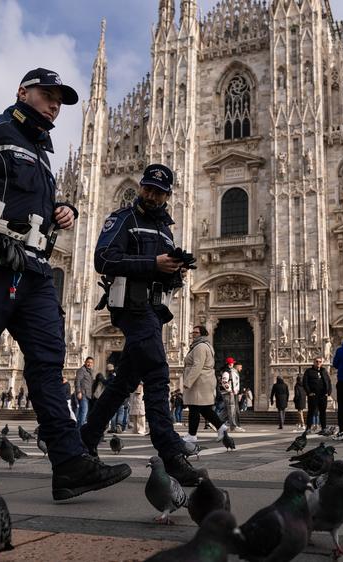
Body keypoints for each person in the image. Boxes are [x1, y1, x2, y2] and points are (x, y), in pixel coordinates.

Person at [0, 68, 131, 505]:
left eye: (60, 98)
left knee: (47, 366)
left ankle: (69, 463)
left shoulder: (41, 153)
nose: (55, 103)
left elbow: (24, 205)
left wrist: (62, 209)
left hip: (35, 271)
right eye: (47, 94)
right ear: (23, 92)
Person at [80, 162, 201, 486]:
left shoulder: (165, 230)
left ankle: (85, 441)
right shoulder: (123, 219)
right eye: (148, 188)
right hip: (131, 307)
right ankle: (170, 452)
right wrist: (152, 263)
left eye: (158, 192)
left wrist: (175, 270)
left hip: (153, 308)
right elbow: (102, 259)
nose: (151, 194)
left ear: (167, 196)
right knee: (159, 372)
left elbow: (163, 274)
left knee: (123, 383)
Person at [182, 325, 223, 441]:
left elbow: (197, 365)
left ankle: (192, 435)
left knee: (194, 408)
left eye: (196, 332)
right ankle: (221, 427)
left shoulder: (200, 347)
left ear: (202, 334)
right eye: (192, 332)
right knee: (204, 409)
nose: (193, 334)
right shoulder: (204, 345)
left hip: (199, 382)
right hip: (203, 381)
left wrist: (187, 382)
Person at [303, 357, 332, 435]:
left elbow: (328, 381)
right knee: (311, 412)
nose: (318, 363)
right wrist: (309, 392)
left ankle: (323, 428)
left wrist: (328, 392)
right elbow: (305, 382)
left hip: (323, 395)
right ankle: (308, 428)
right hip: (313, 395)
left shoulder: (324, 371)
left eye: (320, 362)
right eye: (317, 361)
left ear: (322, 363)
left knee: (323, 412)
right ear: (314, 362)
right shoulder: (309, 371)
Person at [219, 358, 242, 431]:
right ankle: (233, 426)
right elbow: (224, 382)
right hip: (228, 394)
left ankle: (215, 422)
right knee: (231, 409)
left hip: (230, 393)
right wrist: (230, 390)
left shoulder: (230, 371)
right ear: (229, 364)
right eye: (232, 363)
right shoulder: (226, 372)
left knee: (226, 410)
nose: (233, 364)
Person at [74, 357, 94, 427]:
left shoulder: (90, 371)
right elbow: (77, 381)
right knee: (83, 412)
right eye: (88, 362)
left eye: (91, 363)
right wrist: (78, 392)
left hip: (89, 395)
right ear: (85, 362)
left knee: (83, 413)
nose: (89, 364)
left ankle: (79, 429)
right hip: (83, 394)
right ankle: (80, 430)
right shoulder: (81, 370)